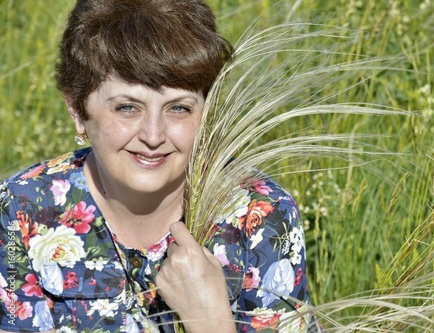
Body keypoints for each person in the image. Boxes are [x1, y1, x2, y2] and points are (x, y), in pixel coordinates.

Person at [0, 0, 315, 332]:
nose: (153, 136)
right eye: (127, 108)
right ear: (77, 110)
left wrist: (209, 321)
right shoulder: (20, 213)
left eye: (178, 108)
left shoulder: (260, 216)